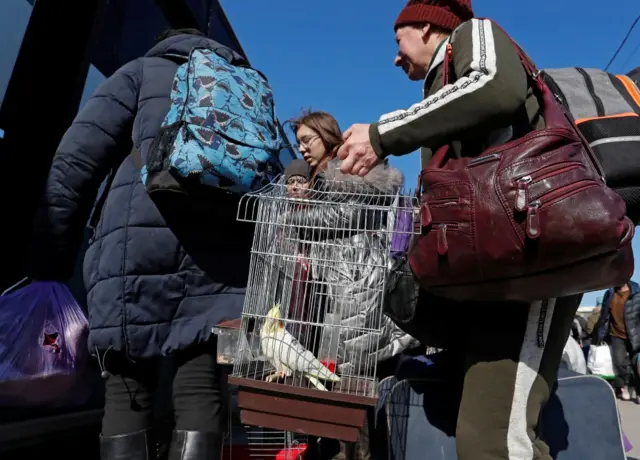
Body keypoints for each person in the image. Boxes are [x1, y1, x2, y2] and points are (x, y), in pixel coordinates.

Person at [336, 2, 582, 459]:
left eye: (398, 39)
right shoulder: (444, 95)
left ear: (428, 24)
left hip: (527, 263)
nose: (395, 57)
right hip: (495, 276)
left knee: (497, 442)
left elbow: (496, 84)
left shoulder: (474, 36)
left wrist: (383, 133)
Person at [27, 28, 255, 460]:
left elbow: (75, 162)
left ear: (164, 42)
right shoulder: (242, 87)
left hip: (133, 253)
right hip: (220, 262)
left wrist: (51, 258)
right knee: (199, 388)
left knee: (128, 389)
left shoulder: (138, 73)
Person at [291, 111, 421, 459]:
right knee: (342, 391)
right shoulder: (320, 177)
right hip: (339, 292)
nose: (301, 148)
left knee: (354, 392)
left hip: (358, 288)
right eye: (298, 142)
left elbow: (354, 214)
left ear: (327, 135)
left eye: (307, 140)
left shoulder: (350, 166)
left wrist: (294, 218)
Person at [594, 282, 640, 403]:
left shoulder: (636, 293)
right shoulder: (610, 293)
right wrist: (600, 334)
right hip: (616, 334)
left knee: (637, 364)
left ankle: (638, 389)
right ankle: (624, 386)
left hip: (635, 334)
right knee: (619, 362)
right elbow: (604, 315)